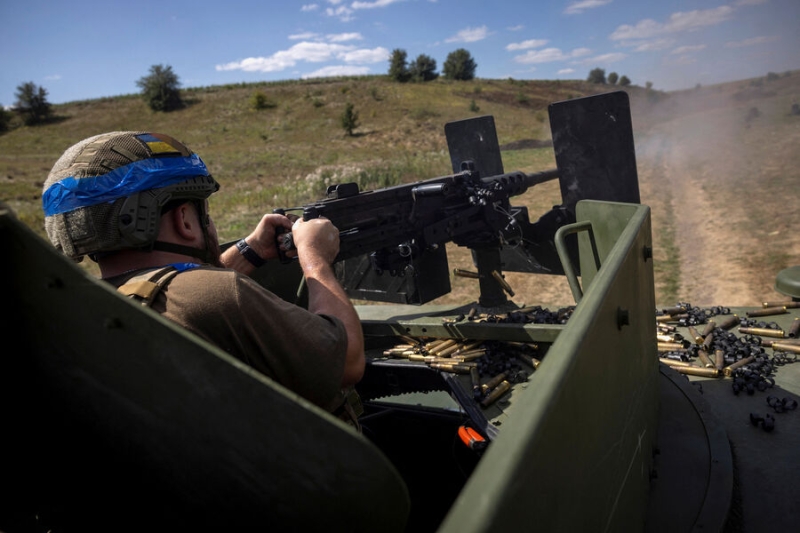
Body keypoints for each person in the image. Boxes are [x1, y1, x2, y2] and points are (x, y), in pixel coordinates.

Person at [42, 131, 365, 421]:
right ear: (184, 218)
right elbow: (347, 361)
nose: (209, 223)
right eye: (202, 210)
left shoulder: (88, 306)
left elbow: (170, 289)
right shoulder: (223, 294)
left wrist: (250, 250)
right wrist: (316, 258)